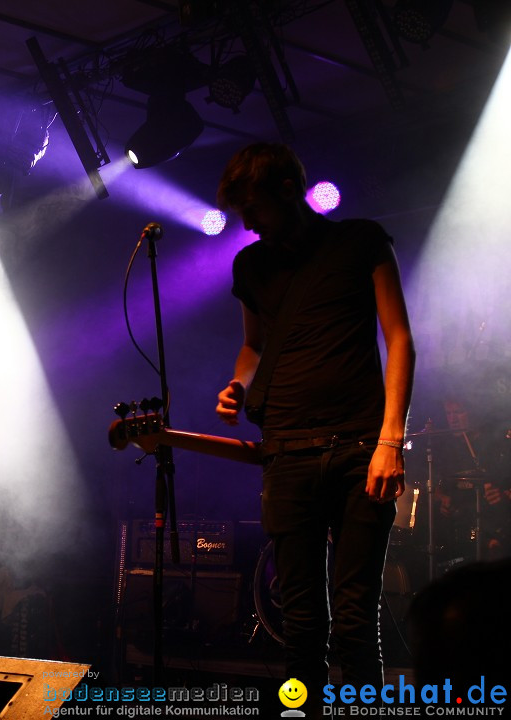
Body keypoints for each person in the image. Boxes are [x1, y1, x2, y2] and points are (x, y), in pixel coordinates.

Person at [213, 144, 415, 703]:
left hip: (358, 449)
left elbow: (399, 338)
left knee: (355, 624)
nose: (246, 223)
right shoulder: (250, 265)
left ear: (285, 189)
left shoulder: (360, 241)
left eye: (252, 206)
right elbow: (253, 348)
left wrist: (389, 441)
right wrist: (239, 386)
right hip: (286, 451)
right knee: (299, 628)